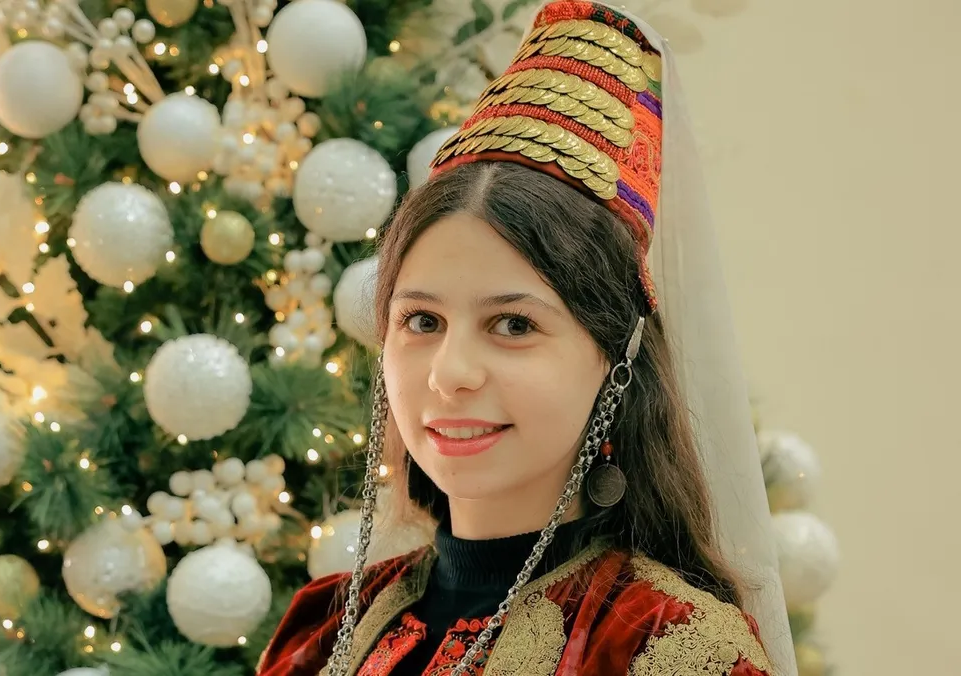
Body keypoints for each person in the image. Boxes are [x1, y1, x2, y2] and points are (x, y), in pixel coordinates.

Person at [256, 1, 796, 674]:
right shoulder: (324, 627)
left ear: (616, 356)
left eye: (513, 325)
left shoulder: (668, 647)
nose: (450, 373)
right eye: (421, 321)